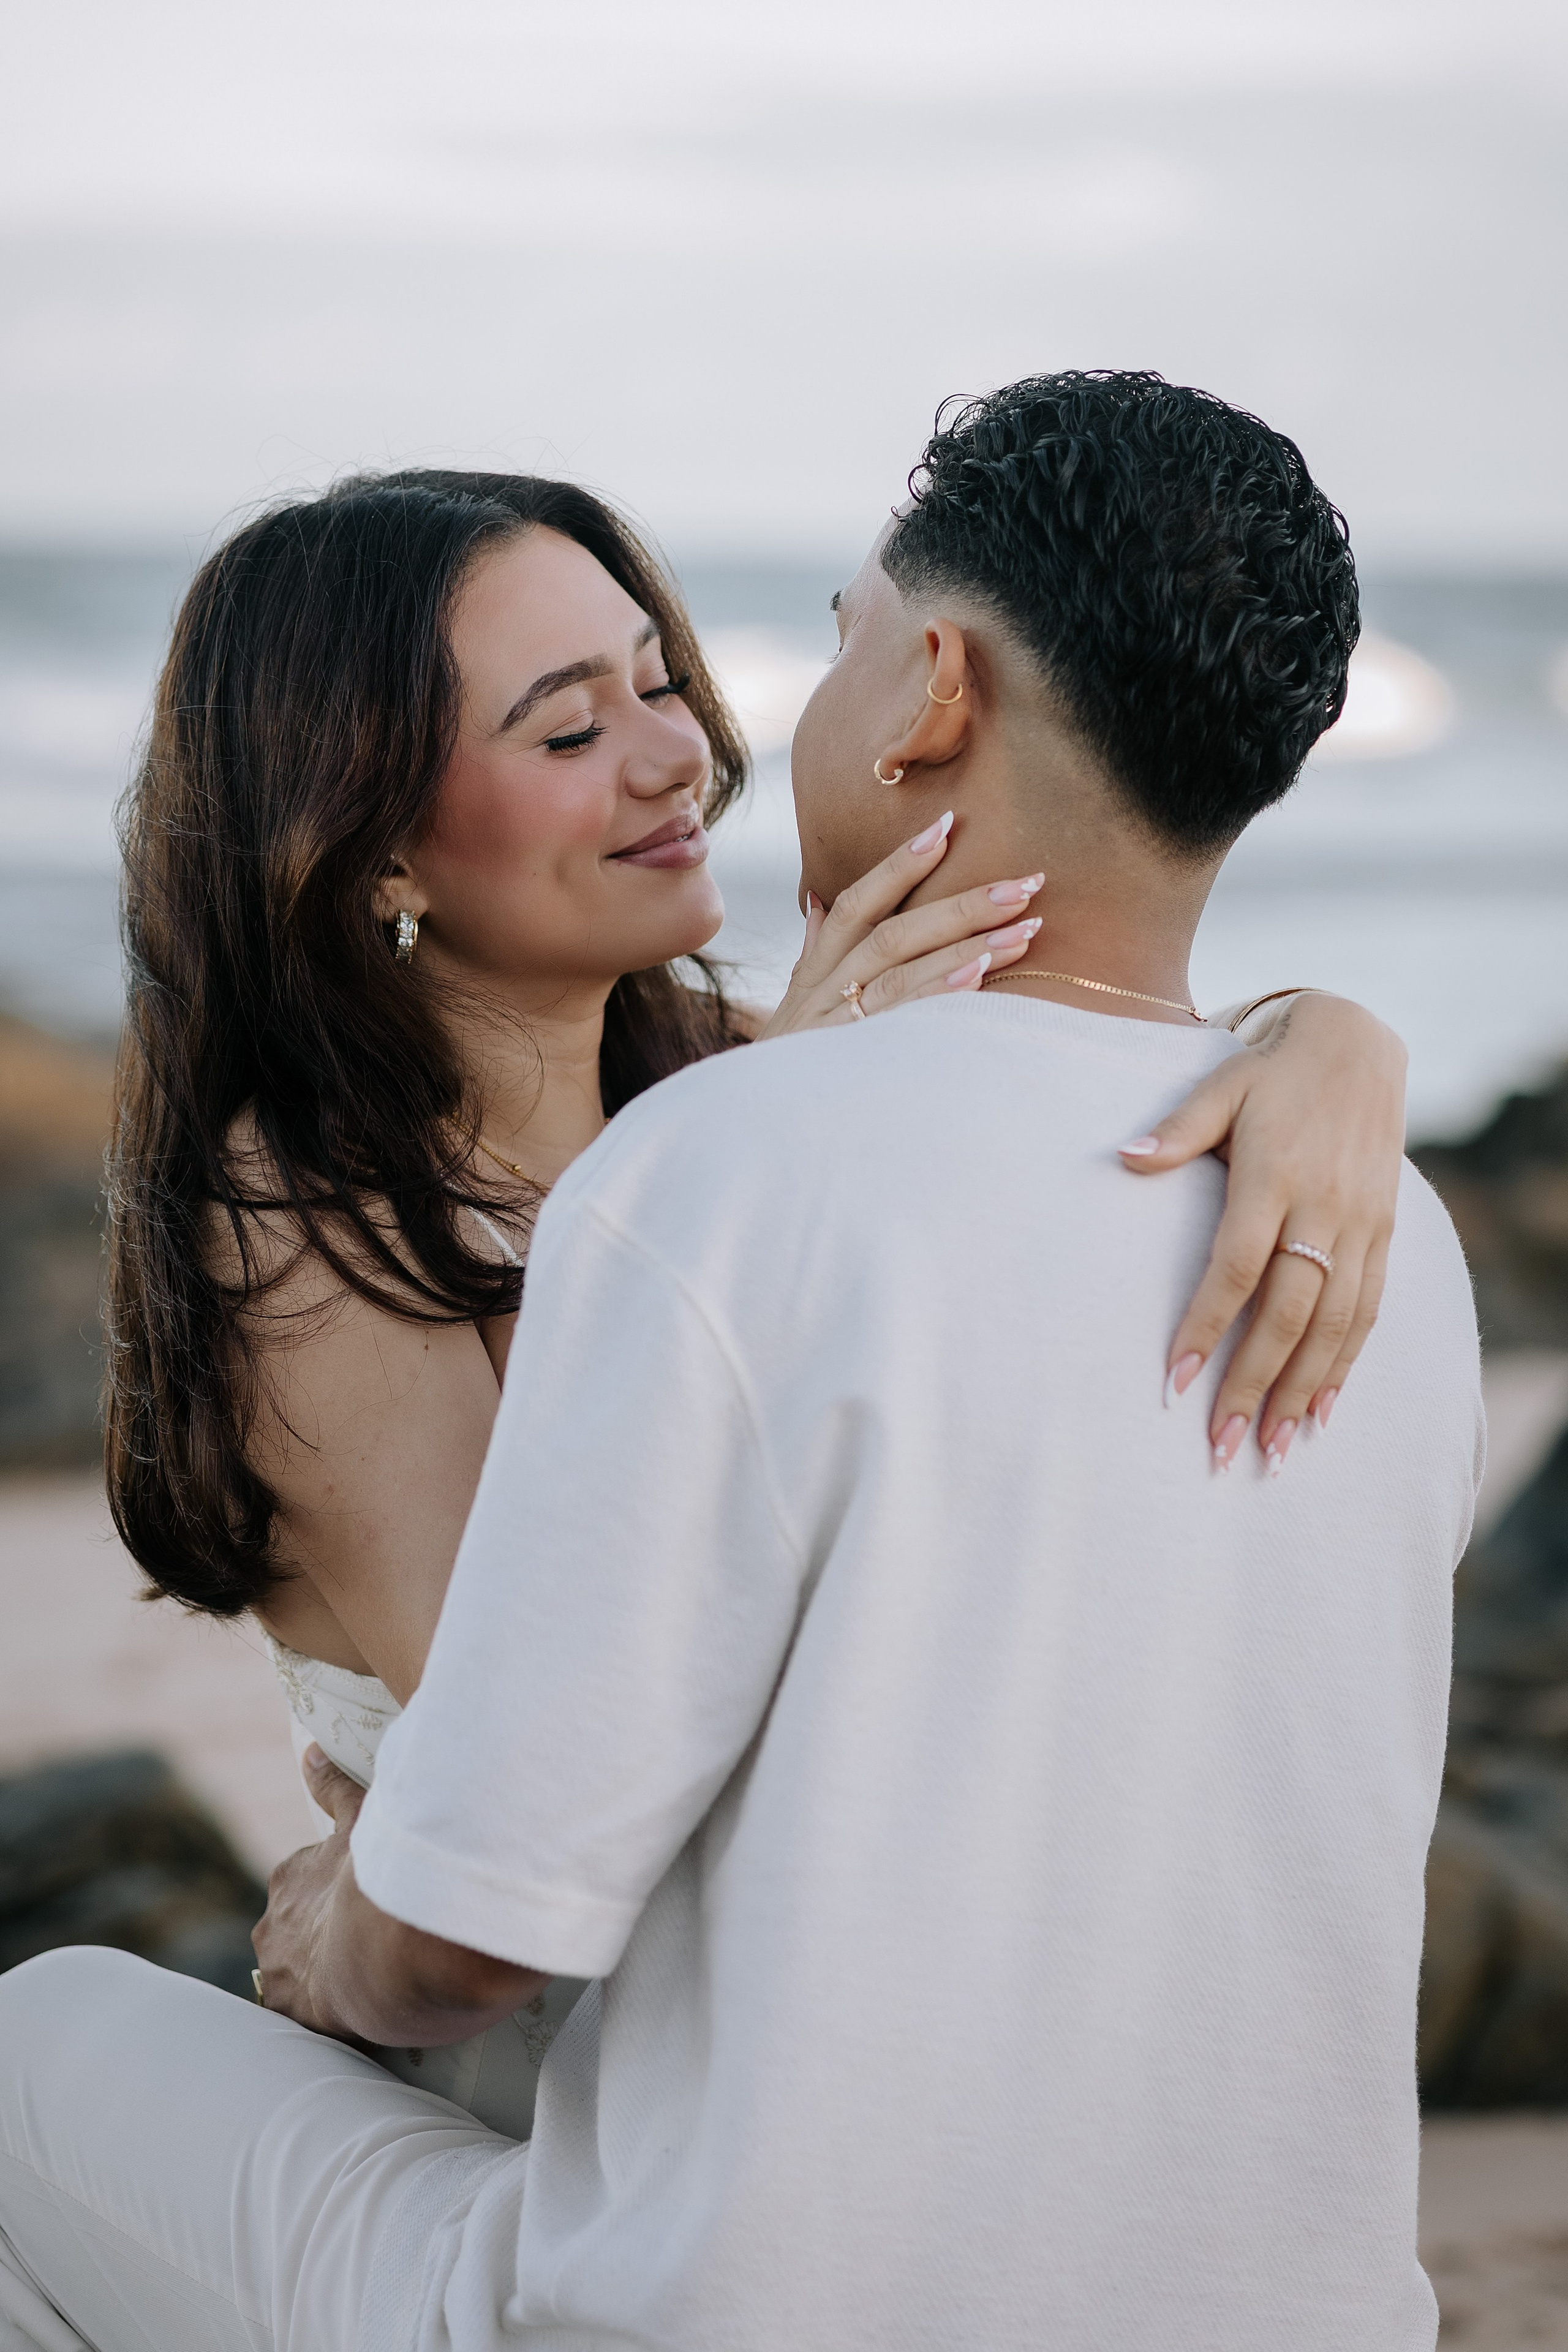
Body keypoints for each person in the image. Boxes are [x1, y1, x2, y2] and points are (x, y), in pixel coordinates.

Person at [0, 371, 1480, 2350]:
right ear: (368, 845)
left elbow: (473, 1896)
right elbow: (558, 1768)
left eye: (658, 678)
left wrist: (1325, 1030)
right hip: (608, 2090)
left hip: (711, 2167)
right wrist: (769, 1119)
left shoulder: (744, 1129)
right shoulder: (349, 1217)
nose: (674, 756)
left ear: (933, 685)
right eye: (567, 724)